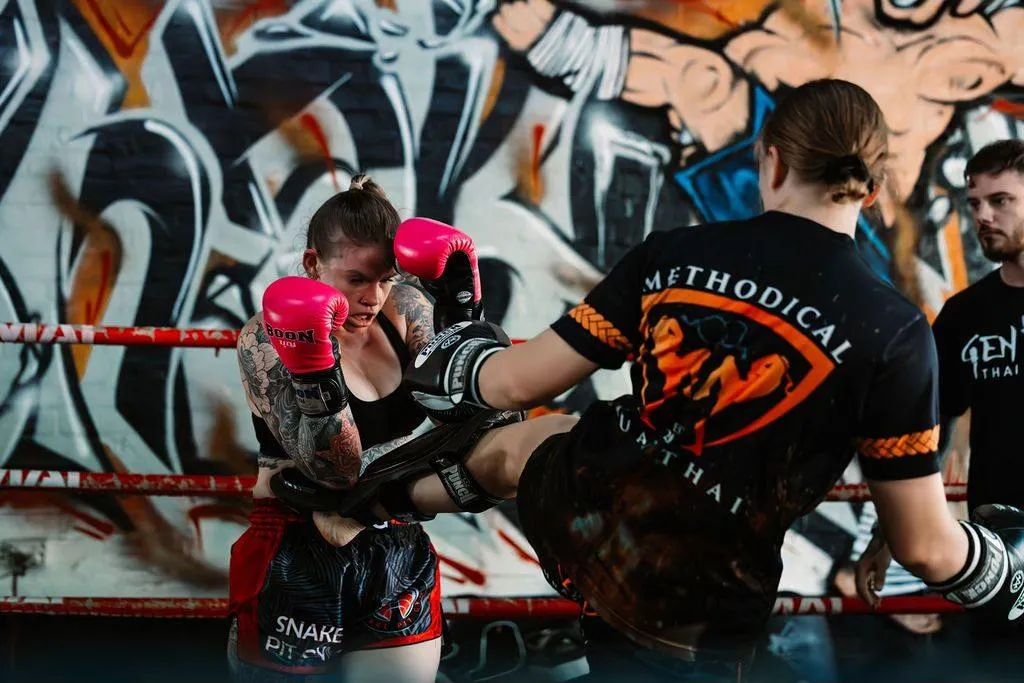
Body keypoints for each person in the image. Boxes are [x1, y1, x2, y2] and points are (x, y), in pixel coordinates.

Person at [303, 80, 1024, 682]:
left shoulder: (673, 255)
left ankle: (371, 499)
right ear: (871, 188)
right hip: (705, 607)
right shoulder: (896, 330)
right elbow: (924, 546)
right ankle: (373, 500)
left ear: (772, 161)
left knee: (525, 443)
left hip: (598, 531)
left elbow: (514, 384)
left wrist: (459, 325)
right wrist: (1007, 566)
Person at [227, 174, 481, 683]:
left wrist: (463, 313)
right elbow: (336, 471)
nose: (373, 296)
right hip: (299, 545)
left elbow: (468, 411)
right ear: (312, 264)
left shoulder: (405, 308)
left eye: (385, 278)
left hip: (394, 539)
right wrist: (316, 371)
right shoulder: (265, 338)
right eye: (357, 279)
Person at [857, 139, 1024, 677]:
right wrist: (888, 535)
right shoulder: (965, 315)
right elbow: (929, 430)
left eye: (1001, 201)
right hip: (1004, 566)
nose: (983, 216)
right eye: (974, 203)